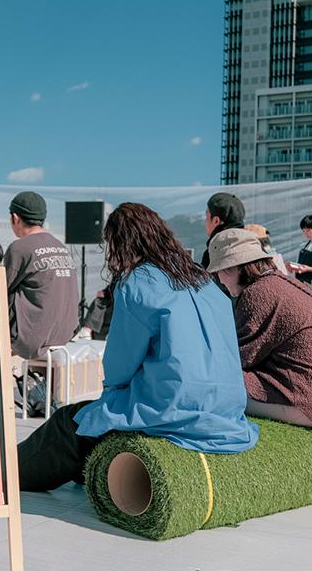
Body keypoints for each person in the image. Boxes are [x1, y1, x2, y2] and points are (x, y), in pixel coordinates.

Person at [17, 203, 256, 491]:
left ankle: (8, 475)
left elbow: (119, 366)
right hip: (227, 410)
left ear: (121, 244)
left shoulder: (137, 282)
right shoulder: (206, 281)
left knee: (70, 422)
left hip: (174, 409)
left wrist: (112, 395)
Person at [208, 229, 312, 430]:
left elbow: (237, 358)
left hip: (307, 402)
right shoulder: (281, 282)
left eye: (218, 272)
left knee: (214, 386)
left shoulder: (258, 294)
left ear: (233, 268)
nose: (219, 280)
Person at [2, 191, 79, 360]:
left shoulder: (19, 248)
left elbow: (1, 289)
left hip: (31, 341)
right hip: (63, 336)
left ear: (15, 218)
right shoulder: (60, 247)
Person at [199, 192, 246, 269]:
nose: (205, 221)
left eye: (206, 216)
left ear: (216, 221)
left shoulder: (215, 251)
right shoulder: (255, 246)